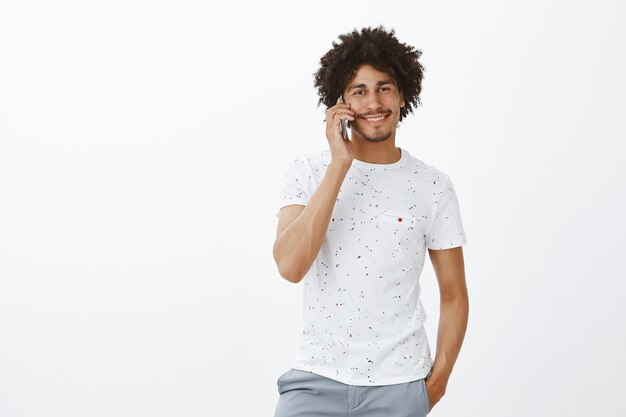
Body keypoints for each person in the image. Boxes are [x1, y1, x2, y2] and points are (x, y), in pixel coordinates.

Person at [272, 26, 469, 417]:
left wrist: (438, 384)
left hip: (400, 387)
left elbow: (454, 294)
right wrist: (339, 165)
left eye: (384, 87)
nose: (373, 102)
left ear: (402, 96)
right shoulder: (308, 172)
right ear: (340, 102)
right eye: (359, 91)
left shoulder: (432, 186)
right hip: (315, 380)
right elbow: (290, 267)